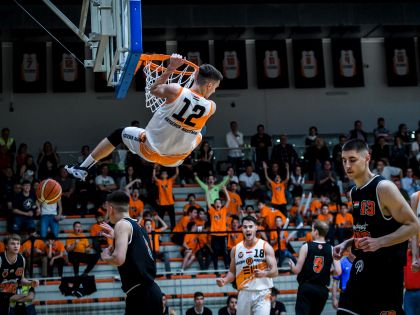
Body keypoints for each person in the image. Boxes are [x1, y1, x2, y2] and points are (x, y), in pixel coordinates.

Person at [65, 54, 223, 179]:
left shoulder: (176, 90)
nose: (214, 91)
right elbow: (194, 99)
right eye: (215, 88)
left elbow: (154, 89)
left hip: (150, 150)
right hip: (176, 159)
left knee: (119, 133)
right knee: (200, 132)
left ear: (195, 77)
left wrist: (171, 68)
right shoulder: (212, 107)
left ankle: (83, 169)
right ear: (209, 85)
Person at [334, 139, 420, 315]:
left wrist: (380, 242)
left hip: (386, 272)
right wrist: (348, 243)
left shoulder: (383, 187)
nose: (347, 165)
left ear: (367, 158)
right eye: (344, 160)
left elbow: (414, 226)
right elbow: (369, 230)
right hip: (362, 266)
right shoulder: (353, 192)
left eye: (352, 159)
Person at [100, 190, 163, 315]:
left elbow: (118, 259)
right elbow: (135, 248)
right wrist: (116, 236)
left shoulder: (121, 225)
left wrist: (105, 257)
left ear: (111, 209)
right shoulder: (139, 226)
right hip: (151, 292)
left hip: (141, 295)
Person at [216, 215, 278, 315]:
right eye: (245, 227)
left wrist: (264, 274)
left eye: (250, 226)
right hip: (244, 293)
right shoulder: (235, 249)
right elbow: (232, 272)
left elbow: (275, 272)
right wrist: (225, 280)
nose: (248, 229)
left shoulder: (265, 246)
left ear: (256, 228)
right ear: (242, 229)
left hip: (262, 293)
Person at [289, 220, 341, 315]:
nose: (311, 232)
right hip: (322, 291)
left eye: (312, 230)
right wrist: (327, 272)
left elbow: (297, 270)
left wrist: (292, 266)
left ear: (316, 232)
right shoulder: (331, 249)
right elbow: (338, 271)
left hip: (307, 287)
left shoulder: (306, 246)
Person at [0, 234, 39, 315]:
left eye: (18, 243)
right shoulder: (0, 259)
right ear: (6, 246)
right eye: (13, 243)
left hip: (9, 295)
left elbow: (22, 279)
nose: (16, 246)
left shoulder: (22, 259)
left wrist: (31, 283)